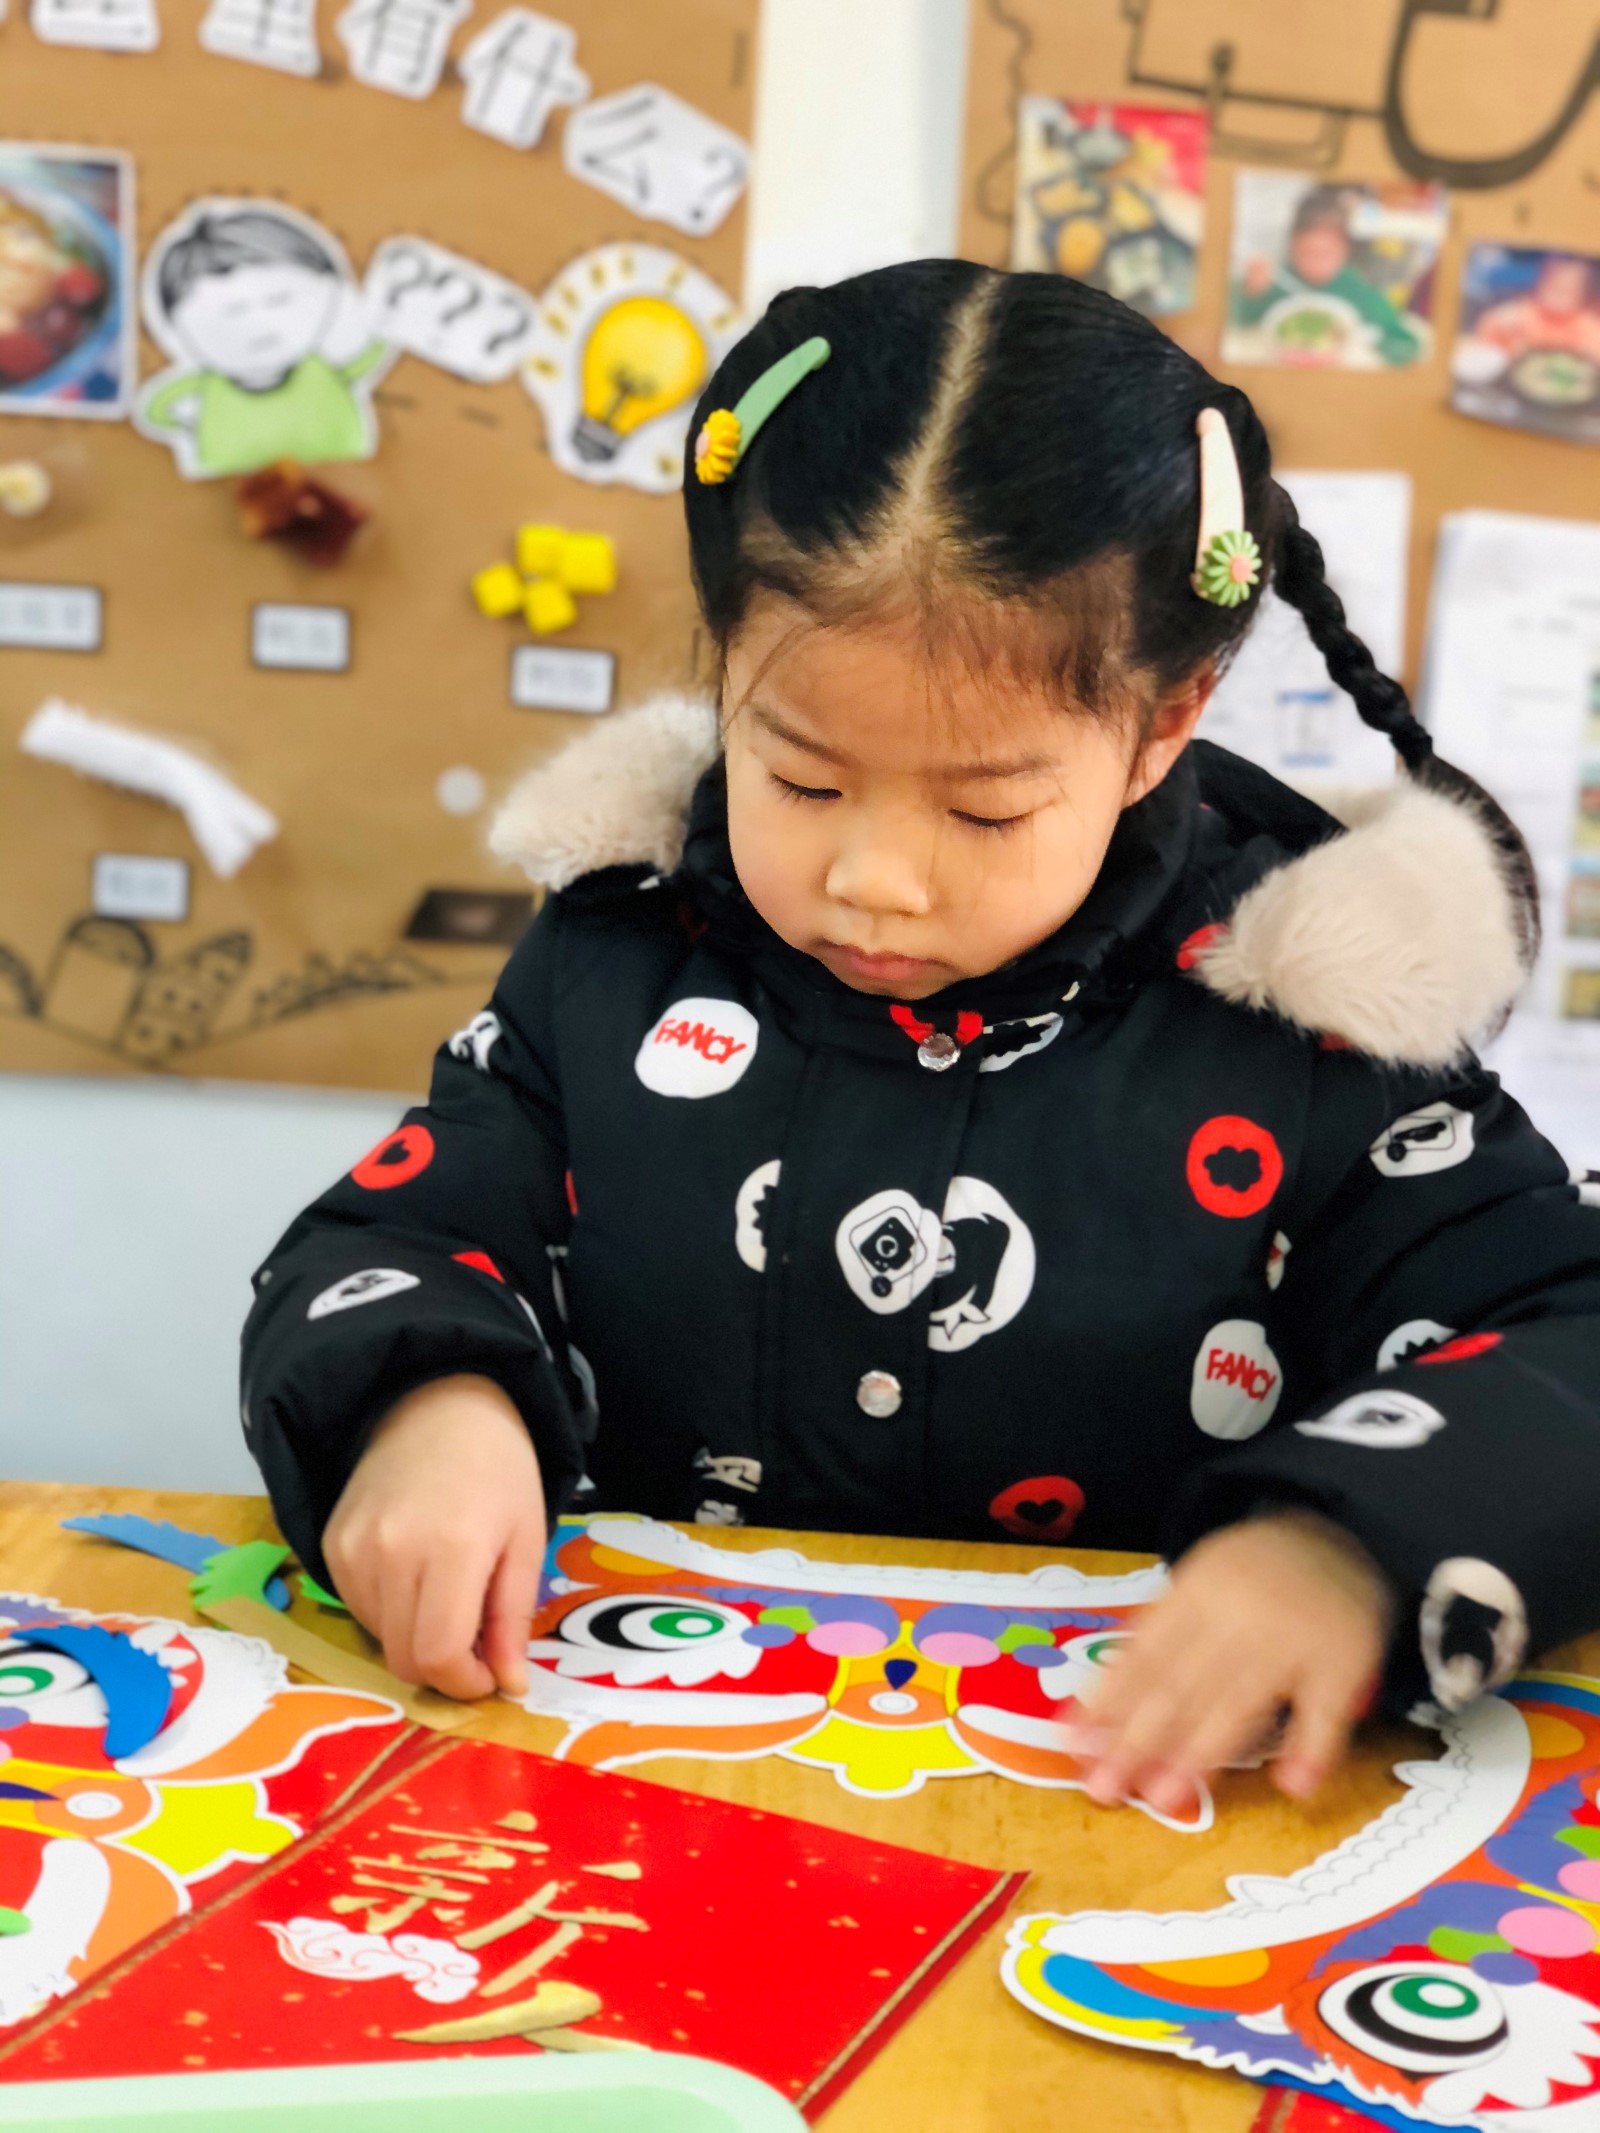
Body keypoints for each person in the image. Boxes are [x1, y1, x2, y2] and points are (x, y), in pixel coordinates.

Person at [242, 264, 1600, 1822]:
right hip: (655, 1785)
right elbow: (403, 1232)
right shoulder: (623, 950)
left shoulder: (1305, 1006)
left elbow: (1573, 1336)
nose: (875, 877)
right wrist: (430, 1406)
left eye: (987, 809)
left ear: (1166, 720)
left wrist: (1349, 1546)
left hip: (1123, 1814)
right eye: (804, 781)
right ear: (723, 661)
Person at [137, 207, 388, 478]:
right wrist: (187, 427)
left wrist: (390, 321)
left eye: (280, 300)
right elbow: (155, 409)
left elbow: (363, 362)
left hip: (345, 472)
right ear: (177, 328)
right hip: (230, 484)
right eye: (231, 313)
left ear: (330, 292)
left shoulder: (321, 369)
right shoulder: (206, 386)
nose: (257, 322)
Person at [1232, 186, 1422, 365]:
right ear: (1291, 246)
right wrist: (1252, 290)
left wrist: (1381, 344)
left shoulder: (1356, 288)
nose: (1316, 263)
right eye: (1306, 252)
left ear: (1345, 250)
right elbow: (1235, 318)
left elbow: (1403, 339)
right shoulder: (1276, 280)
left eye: (1327, 253)